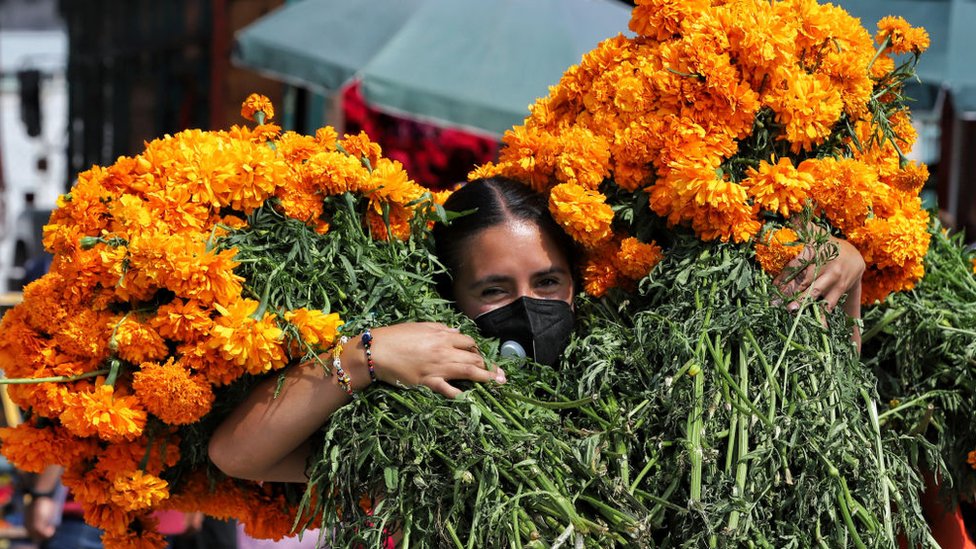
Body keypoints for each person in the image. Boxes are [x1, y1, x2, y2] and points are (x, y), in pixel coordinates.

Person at [208, 176, 865, 483]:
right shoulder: (419, 418)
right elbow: (239, 456)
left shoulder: (648, 380)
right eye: (494, 290)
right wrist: (362, 357)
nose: (527, 306)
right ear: (449, 298)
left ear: (576, 283)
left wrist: (848, 273)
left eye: (547, 283)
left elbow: (822, 402)